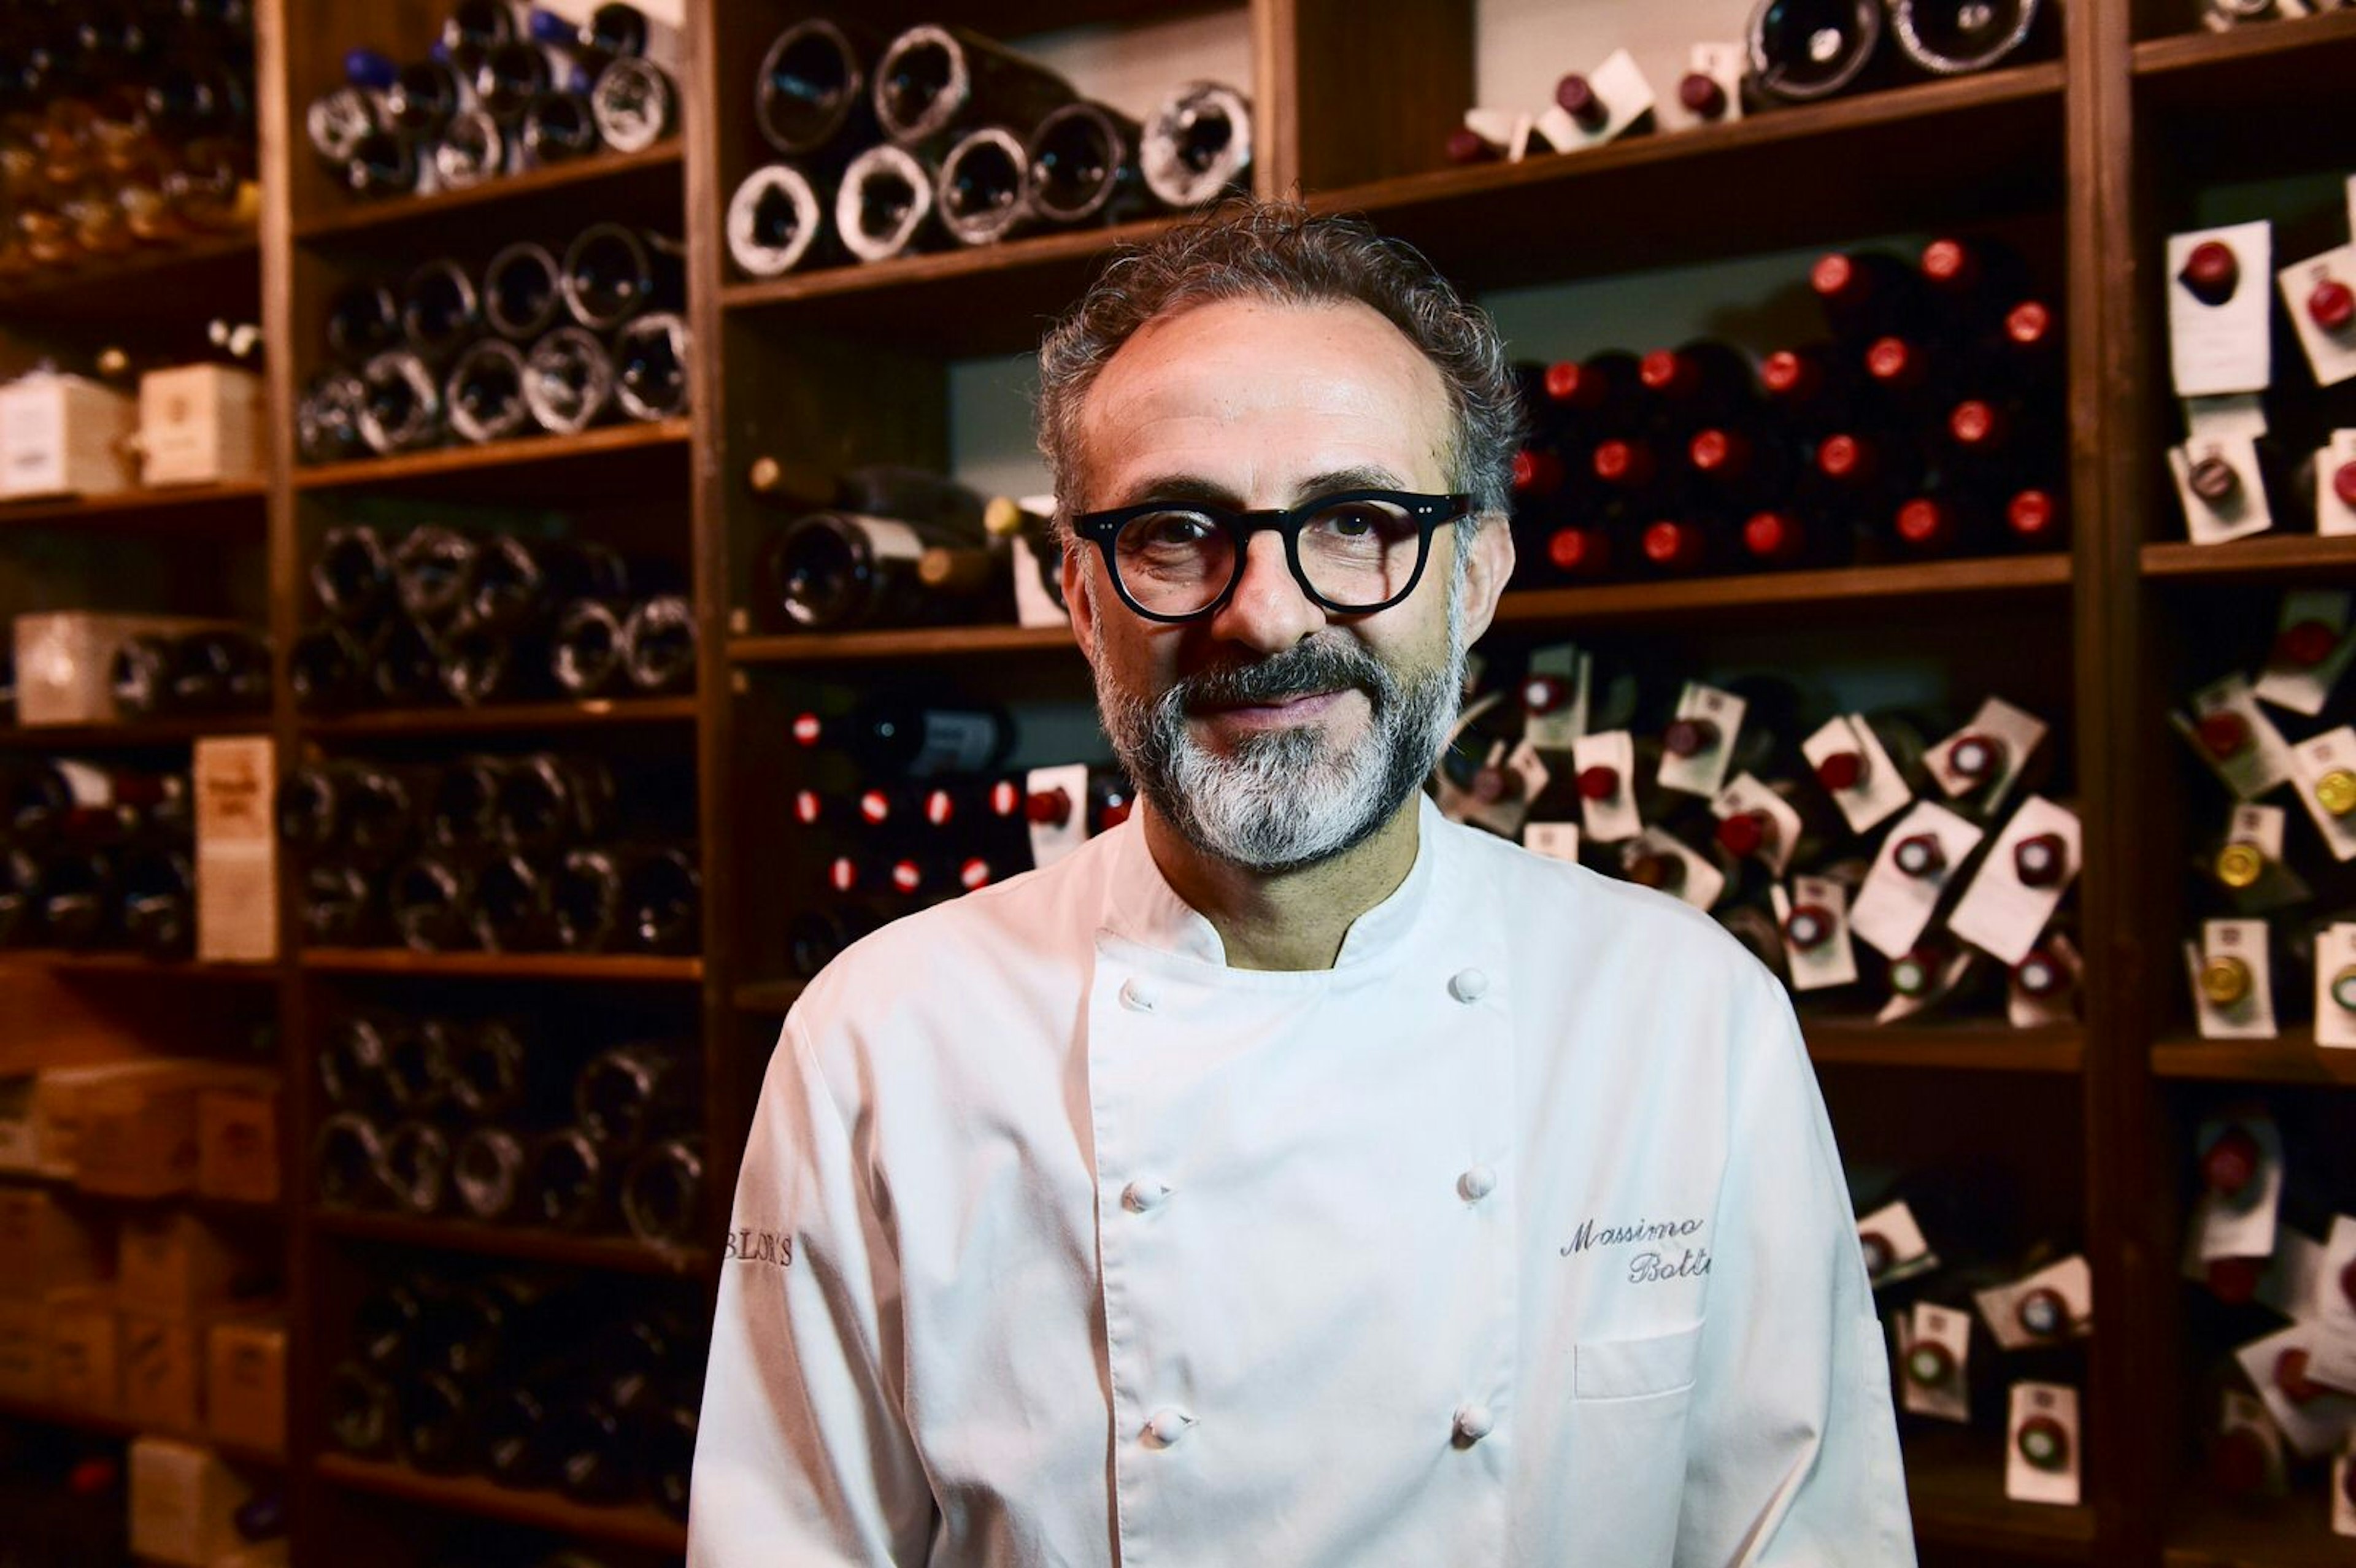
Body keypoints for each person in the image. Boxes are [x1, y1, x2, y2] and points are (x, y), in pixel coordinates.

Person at [689, 198, 1914, 1566]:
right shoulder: (881, 1038)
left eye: (1358, 521)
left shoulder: (1690, 1019)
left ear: (1479, 578)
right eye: (1171, 532)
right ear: (1079, 598)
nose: (1262, 613)